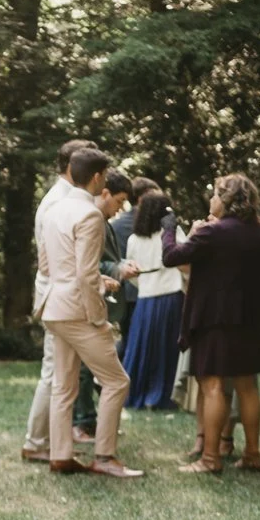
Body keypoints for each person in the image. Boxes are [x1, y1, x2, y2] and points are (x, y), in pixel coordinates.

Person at [38, 146, 143, 479]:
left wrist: (94, 280)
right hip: (79, 312)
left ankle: (60, 456)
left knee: (64, 385)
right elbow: (85, 275)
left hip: (54, 306)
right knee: (116, 381)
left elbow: (48, 264)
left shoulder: (54, 209)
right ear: (97, 177)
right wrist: (98, 314)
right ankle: (105, 456)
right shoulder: (90, 214)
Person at [162, 173, 260, 475]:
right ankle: (252, 454)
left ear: (225, 199)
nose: (211, 200)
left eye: (214, 194)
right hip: (249, 319)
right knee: (247, 387)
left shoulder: (213, 232)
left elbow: (171, 256)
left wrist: (170, 229)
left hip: (214, 319)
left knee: (211, 386)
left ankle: (210, 458)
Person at [23, 137, 94, 463]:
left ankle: (54, 442)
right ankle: (37, 442)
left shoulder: (65, 198)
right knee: (54, 373)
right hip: (59, 296)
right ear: (71, 165)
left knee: (60, 373)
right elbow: (49, 257)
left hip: (60, 296)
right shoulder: (57, 202)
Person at [72, 168, 135, 440]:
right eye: (119, 200)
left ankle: (90, 420)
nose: (120, 207)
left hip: (102, 304)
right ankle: (81, 421)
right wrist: (118, 268)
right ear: (105, 193)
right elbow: (84, 264)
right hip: (86, 304)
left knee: (92, 369)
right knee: (84, 369)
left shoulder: (103, 220)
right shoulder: (91, 219)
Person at [122, 188, 186, 411]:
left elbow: (131, 274)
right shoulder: (173, 235)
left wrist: (145, 286)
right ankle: (164, 395)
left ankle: (137, 394)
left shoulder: (133, 240)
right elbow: (184, 260)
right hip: (171, 295)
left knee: (142, 348)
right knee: (168, 349)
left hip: (146, 298)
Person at [112, 175, 159, 341]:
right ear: (142, 198)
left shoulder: (115, 224)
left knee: (130, 341)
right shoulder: (153, 224)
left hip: (125, 294)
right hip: (143, 292)